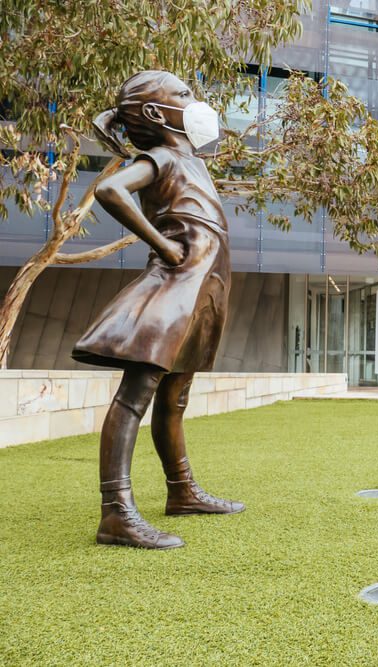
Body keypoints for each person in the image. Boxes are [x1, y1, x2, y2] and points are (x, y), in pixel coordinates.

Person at [74, 70, 243, 550]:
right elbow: (110, 191)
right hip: (173, 284)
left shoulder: (190, 161)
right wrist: (165, 249)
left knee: (175, 395)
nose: (197, 103)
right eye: (185, 94)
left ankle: (182, 491)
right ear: (153, 112)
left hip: (201, 286)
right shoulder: (163, 156)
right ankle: (116, 513)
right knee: (137, 393)